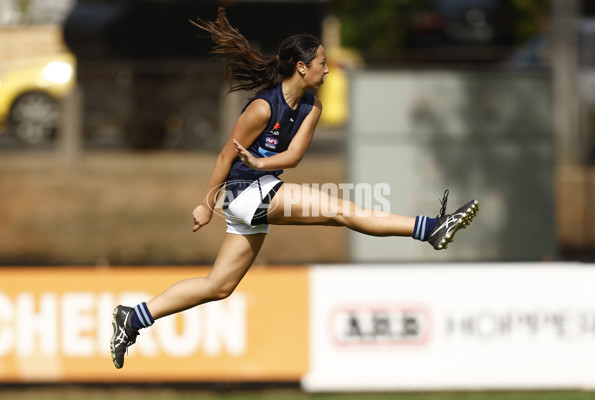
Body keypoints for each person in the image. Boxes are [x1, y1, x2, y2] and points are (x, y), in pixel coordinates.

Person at [110, 7, 479, 369]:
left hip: (261, 188)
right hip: (241, 193)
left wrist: (261, 165)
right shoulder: (261, 108)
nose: (328, 68)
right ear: (301, 67)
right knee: (343, 211)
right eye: (322, 62)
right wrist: (206, 203)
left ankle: (134, 317)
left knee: (218, 286)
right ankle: (429, 228)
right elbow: (225, 156)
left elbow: (293, 157)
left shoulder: (312, 107)